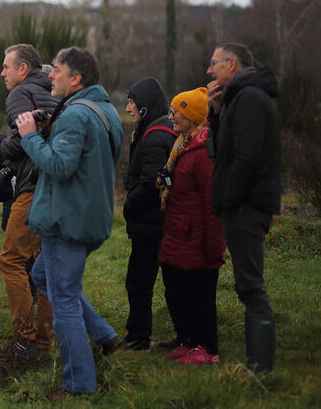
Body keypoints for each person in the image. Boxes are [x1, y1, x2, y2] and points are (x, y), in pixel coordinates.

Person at [15, 47, 123, 398]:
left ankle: (78, 385)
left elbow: (60, 166)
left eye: (57, 70)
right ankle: (105, 336)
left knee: (62, 301)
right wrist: (51, 126)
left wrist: (30, 134)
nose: (50, 76)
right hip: (89, 214)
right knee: (42, 275)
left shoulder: (76, 116)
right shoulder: (103, 109)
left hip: (68, 221)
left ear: (76, 78)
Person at [206, 42, 280, 374]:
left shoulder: (250, 98)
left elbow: (246, 158)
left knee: (251, 284)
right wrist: (217, 111)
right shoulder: (237, 98)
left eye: (214, 63)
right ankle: (258, 364)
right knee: (246, 283)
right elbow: (219, 152)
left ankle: (260, 369)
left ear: (232, 65)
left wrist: (230, 199)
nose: (210, 70)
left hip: (247, 205)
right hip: (240, 204)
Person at [0, 44, 57, 363]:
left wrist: (4, 145)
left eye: (6, 67)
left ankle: (26, 342)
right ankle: (44, 340)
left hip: (32, 186)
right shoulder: (54, 90)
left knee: (12, 260)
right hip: (58, 185)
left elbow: (22, 139)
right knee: (44, 265)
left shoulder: (19, 95)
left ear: (23, 70)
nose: (2, 73)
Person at [157, 87, 225, 365]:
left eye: (177, 112)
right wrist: (166, 179)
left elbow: (212, 203)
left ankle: (206, 348)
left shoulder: (203, 151)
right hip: (178, 233)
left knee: (199, 296)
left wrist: (213, 247)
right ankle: (188, 341)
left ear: (192, 116)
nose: (172, 117)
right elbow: (178, 185)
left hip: (196, 237)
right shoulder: (182, 145)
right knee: (178, 292)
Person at [120, 77, 176, 351]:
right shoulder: (163, 130)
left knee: (138, 283)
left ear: (144, 107)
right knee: (171, 282)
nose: (128, 107)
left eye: (132, 102)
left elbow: (153, 183)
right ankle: (185, 335)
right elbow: (166, 179)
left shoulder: (154, 137)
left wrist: (129, 205)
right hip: (160, 222)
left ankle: (138, 336)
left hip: (152, 224)